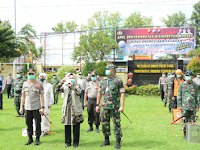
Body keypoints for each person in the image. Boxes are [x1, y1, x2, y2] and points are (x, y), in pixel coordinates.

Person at [96, 64, 125, 149]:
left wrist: (122, 106)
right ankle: (106, 140)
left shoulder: (118, 80)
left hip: (115, 106)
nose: (107, 70)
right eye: (106, 69)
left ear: (113, 70)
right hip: (104, 106)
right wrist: (98, 104)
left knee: (116, 123)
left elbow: (122, 93)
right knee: (104, 123)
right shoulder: (103, 80)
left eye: (108, 69)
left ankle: (118, 141)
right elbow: (100, 93)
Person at [55, 73, 84, 148]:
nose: (71, 79)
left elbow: (79, 93)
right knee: (67, 126)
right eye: (70, 78)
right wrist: (60, 83)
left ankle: (75, 143)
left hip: (75, 109)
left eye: (73, 78)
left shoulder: (78, 86)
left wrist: (72, 86)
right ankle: (67, 142)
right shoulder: (65, 87)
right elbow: (56, 90)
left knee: (76, 127)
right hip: (67, 109)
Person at [19, 68, 45, 146]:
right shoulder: (25, 84)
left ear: (35, 74)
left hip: (36, 107)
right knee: (28, 124)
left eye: (32, 73)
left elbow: (42, 96)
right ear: (27, 74)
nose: (31, 75)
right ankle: (30, 139)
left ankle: (37, 139)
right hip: (27, 107)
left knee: (37, 124)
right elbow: (23, 96)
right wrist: (21, 107)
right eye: (29, 74)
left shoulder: (39, 83)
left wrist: (42, 107)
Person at [177, 71, 199, 140]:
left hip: (193, 106)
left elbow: (197, 96)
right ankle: (185, 134)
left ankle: (191, 135)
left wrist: (197, 106)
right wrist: (179, 105)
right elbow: (179, 95)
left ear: (192, 77)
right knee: (184, 120)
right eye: (186, 75)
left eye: (189, 75)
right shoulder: (182, 85)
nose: (187, 77)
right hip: (184, 106)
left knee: (192, 121)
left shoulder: (195, 86)